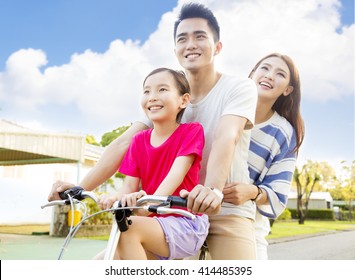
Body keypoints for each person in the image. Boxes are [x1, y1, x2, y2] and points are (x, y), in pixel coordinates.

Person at [49, 3, 257, 259]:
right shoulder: (164, 96)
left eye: (200, 36)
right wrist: (77, 189)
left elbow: (227, 136)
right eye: (183, 38)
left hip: (221, 209)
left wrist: (211, 191)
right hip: (160, 212)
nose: (190, 44)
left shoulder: (238, 88)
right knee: (102, 262)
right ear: (176, 50)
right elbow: (125, 143)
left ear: (217, 47)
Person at [100, 67, 208, 260]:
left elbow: (176, 174)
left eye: (162, 90)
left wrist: (146, 204)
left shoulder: (191, 131)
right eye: (147, 91)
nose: (152, 97)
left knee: (128, 228)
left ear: (183, 100)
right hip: (151, 223)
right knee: (100, 261)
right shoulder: (138, 140)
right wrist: (117, 198)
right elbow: (128, 189)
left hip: (185, 222)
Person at [222, 53, 305, 259]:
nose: (269, 76)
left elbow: (277, 191)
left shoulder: (283, 132)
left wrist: (252, 192)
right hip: (198, 214)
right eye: (264, 68)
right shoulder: (224, 104)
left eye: (279, 74)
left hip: (249, 224)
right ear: (252, 74)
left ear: (288, 89)